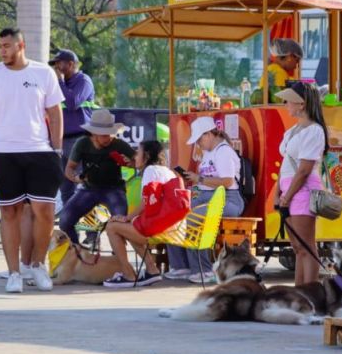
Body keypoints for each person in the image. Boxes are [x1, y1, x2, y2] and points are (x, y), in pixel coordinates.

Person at [0, 28, 65, 294]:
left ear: (21, 45)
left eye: (7, 45)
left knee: (44, 212)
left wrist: (57, 150)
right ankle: (14, 272)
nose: (2, 50)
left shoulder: (43, 73)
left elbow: (55, 113)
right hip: (2, 152)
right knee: (10, 212)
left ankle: (37, 265)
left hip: (40, 150)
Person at [164, 116, 245, 284]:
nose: (198, 144)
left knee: (194, 218)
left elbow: (228, 181)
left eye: (199, 140)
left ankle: (204, 269)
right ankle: (181, 266)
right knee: (173, 215)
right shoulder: (209, 152)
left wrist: (199, 179)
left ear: (208, 135)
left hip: (227, 200)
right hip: (206, 197)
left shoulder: (224, 152)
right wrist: (195, 182)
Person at [276, 81, 328, 287]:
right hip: (289, 187)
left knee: (306, 245)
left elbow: (305, 169)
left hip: (301, 189)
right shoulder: (292, 131)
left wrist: (287, 195)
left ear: (302, 104)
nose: (286, 103)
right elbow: (286, 165)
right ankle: (300, 290)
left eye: (290, 100)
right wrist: (279, 193)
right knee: (298, 247)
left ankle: (310, 291)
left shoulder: (314, 131)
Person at [104, 140, 177, 288]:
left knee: (112, 227)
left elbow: (146, 203)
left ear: (147, 155)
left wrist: (126, 218)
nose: (135, 156)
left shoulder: (150, 171)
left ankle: (128, 275)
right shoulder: (166, 171)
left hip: (157, 229)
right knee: (128, 226)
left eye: (138, 152)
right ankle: (152, 270)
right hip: (170, 227)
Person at [58, 109, 134, 244]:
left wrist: (131, 163)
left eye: (111, 134)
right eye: (105, 135)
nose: (109, 138)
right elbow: (69, 168)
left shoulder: (118, 144)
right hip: (88, 188)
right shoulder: (82, 143)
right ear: (94, 133)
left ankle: (118, 259)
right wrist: (76, 178)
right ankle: (77, 252)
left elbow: (139, 161)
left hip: (114, 188)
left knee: (121, 223)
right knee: (64, 220)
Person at [49, 50, 95, 215]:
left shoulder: (83, 80)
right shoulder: (56, 84)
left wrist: (60, 82)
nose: (56, 67)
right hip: (61, 141)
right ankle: (71, 231)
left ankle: (91, 234)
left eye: (59, 63)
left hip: (81, 139)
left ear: (70, 64)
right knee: (66, 188)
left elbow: (73, 103)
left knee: (84, 186)